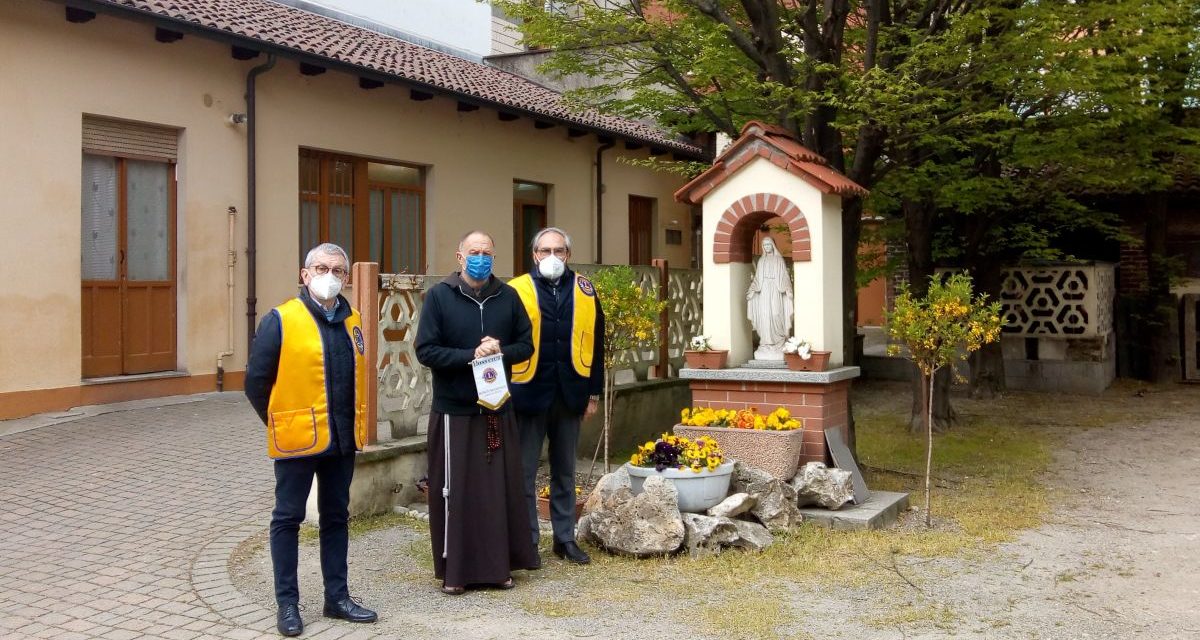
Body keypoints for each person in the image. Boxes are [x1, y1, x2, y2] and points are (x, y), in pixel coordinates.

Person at [244, 243, 378, 637]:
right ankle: (287, 604)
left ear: (347, 278)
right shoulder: (281, 320)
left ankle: (337, 598)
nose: (330, 276)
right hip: (297, 440)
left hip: (341, 440)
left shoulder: (353, 320)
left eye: (338, 270)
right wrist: (280, 422)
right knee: (288, 518)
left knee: (336, 517)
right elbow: (255, 382)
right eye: (321, 268)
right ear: (305, 275)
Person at [415, 230, 539, 594]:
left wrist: (500, 350)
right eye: (474, 252)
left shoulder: (508, 296)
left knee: (496, 492)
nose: (480, 258)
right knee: (457, 493)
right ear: (459, 257)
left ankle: (498, 568)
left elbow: (526, 345)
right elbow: (426, 351)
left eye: (487, 252)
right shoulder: (439, 296)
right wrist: (471, 355)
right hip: (454, 410)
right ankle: (456, 573)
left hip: (497, 407)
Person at [508, 227, 604, 566]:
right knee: (524, 473)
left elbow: (597, 342)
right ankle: (527, 542)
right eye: (545, 250)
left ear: (568, 254)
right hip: (527, 393)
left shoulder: (585, 289)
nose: (552, 256)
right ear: (534, 254)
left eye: (559, 250)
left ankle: (565, 539)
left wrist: (593, 393)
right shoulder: (516, 289)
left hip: (570, 393)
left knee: (565, 471)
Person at [746, 236, 794, 359]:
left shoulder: (779, 260)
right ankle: (766, 343)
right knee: (765, 316)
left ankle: (779, 342)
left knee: (776, 313)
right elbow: (757, 279)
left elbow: (784, 276)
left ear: (773, 245)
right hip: (764, 291)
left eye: (769, 244)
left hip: (776, 289)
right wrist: (752, 290)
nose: (767, 247)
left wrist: (787, 289)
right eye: (765, 245)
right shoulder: (761, 261)